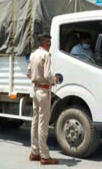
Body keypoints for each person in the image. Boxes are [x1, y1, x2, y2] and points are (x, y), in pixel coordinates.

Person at [27, 34, 59, 165]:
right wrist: (54, 80)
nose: (49, 44)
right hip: (44, 90)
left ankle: (35, 152)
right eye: (48, 42)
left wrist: (36, 77)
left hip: (35, 90)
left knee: (35, 121)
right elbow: (47, 74)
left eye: (50, 42)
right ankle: (45, 156)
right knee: (42, 123)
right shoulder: (46, 55)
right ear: (43, 43)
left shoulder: (33, 55)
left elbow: (28, 73)